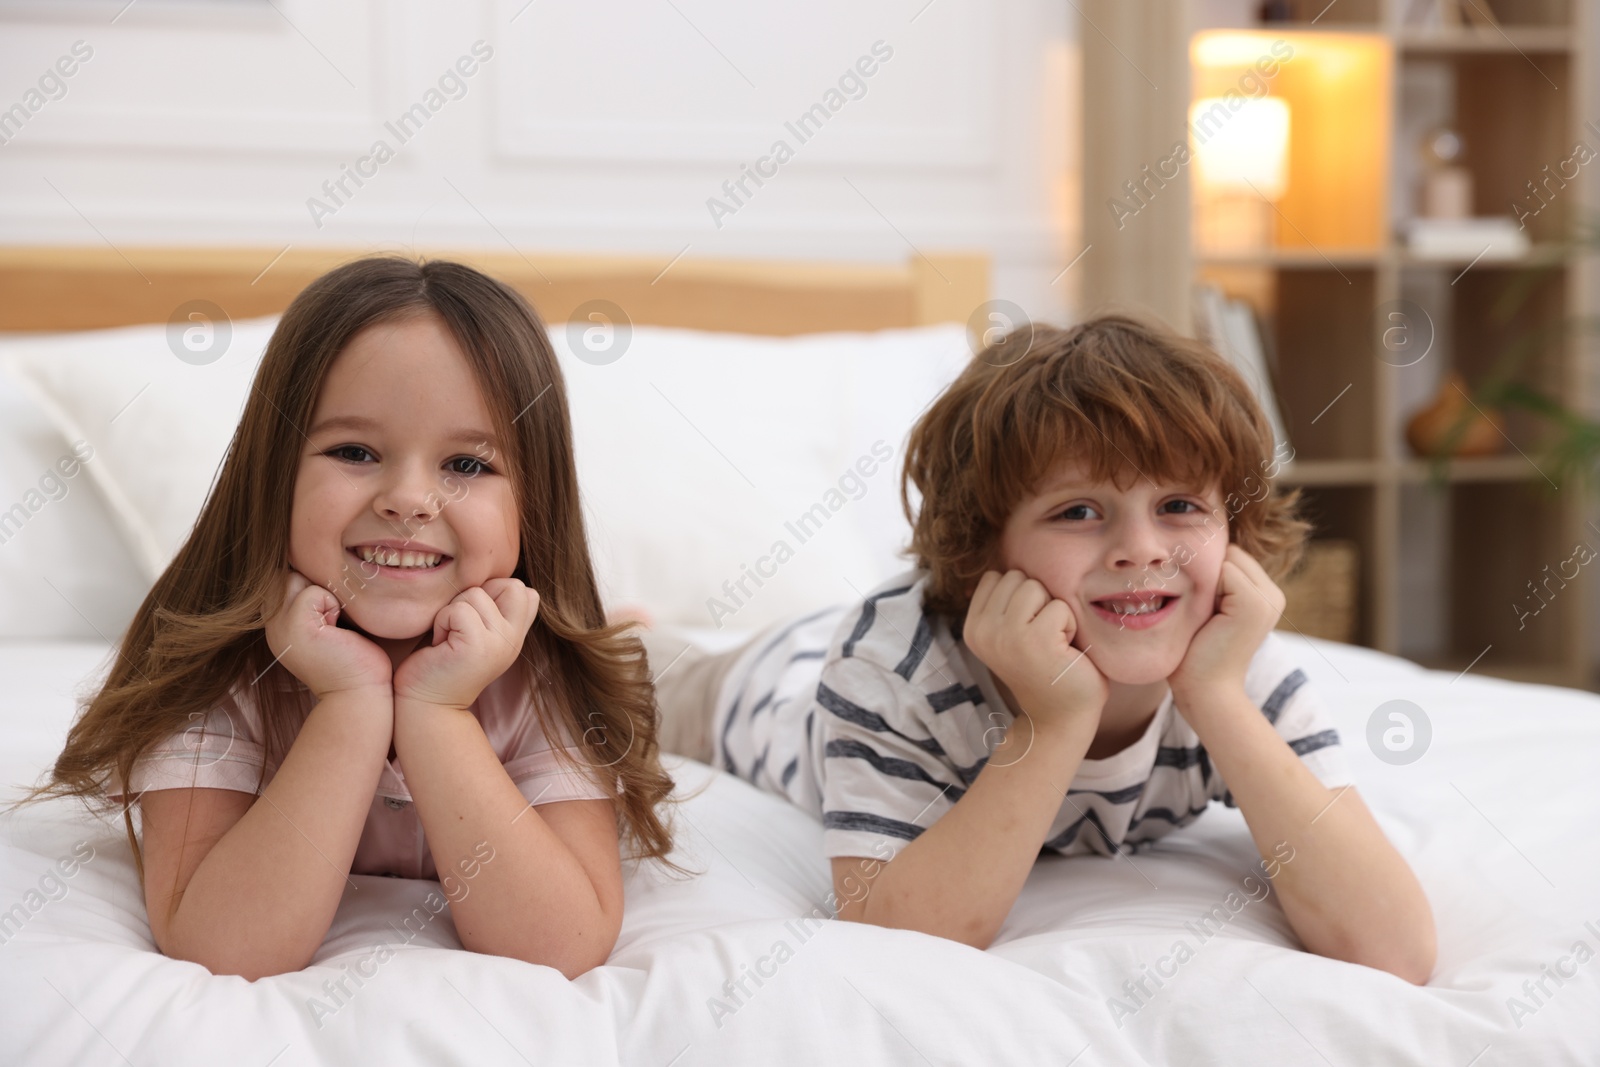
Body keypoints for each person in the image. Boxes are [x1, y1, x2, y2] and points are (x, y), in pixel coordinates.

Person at [646, 313, 1435, 983]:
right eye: (1079, 511)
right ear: (985, 548)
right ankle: (637, 631)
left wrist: (1216, 698)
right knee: (634, 679)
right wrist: (1053, 722)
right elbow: (894, 935)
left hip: (841, 653)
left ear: (1235, 531)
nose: (1139, 548)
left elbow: (1393, 948)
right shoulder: (892, 669)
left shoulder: (1238, 666)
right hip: (773, 690)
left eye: (1180, 505)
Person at [29, 257, 676, 980]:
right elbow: (222, 944)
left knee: (641, 658)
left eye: (465, 464)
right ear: (271, 473)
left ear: (536, 501)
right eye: (355, 451)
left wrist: (437, 712)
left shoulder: (545, 674)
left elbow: (560, 944)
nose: (408, 499)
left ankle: (645, 630)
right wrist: (350, 701)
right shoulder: (209, 670)